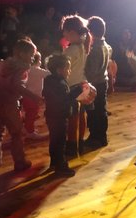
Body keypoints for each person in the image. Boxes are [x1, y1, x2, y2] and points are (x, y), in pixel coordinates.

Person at [0, 39, 44, 172]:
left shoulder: (1, 64)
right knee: (16, 134)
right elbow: (17, 86)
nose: (32, 59)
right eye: (31, 55)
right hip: (10, 104)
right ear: (21, 54)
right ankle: (20, 161)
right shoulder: (22, 68)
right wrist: (35, 97)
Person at [42, 54, 86, 177]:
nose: (69, 71)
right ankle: (61, 166)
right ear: (59, 70)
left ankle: (54, 162)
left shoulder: (49, 80)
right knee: (60, 142)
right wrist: (78, 90)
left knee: (54, 140)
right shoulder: (60, 84)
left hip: (51, 116)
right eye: (68, 68)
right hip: (59, 117)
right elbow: (65, 99)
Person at [60, 14, 91, 157]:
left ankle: (71, 147)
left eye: (64, 32)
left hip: (72, 86)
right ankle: (80, 143)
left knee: (72, 118)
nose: (63, 34)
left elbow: (61, 67)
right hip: (82, 84)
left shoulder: (71, 50)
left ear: (71, 32)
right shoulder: (84, 46)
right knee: (81, 115)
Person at [83, 16, 110, 150]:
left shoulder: (94, 50)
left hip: (95, 83)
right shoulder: (106, 45)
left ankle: (95, 137)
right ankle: (102, 137)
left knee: (94, 112)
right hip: (103, 82)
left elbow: (92, 71)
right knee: (101, 110)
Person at [22, 50, 50, 140]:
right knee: (32, 115)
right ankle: (30, 132)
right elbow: (49, 74)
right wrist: (48, 66)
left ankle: (27, 129)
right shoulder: (37, 70)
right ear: (38, 60)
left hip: (26, 96)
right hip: (34, 97)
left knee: (29, 114)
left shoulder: (27, 69)